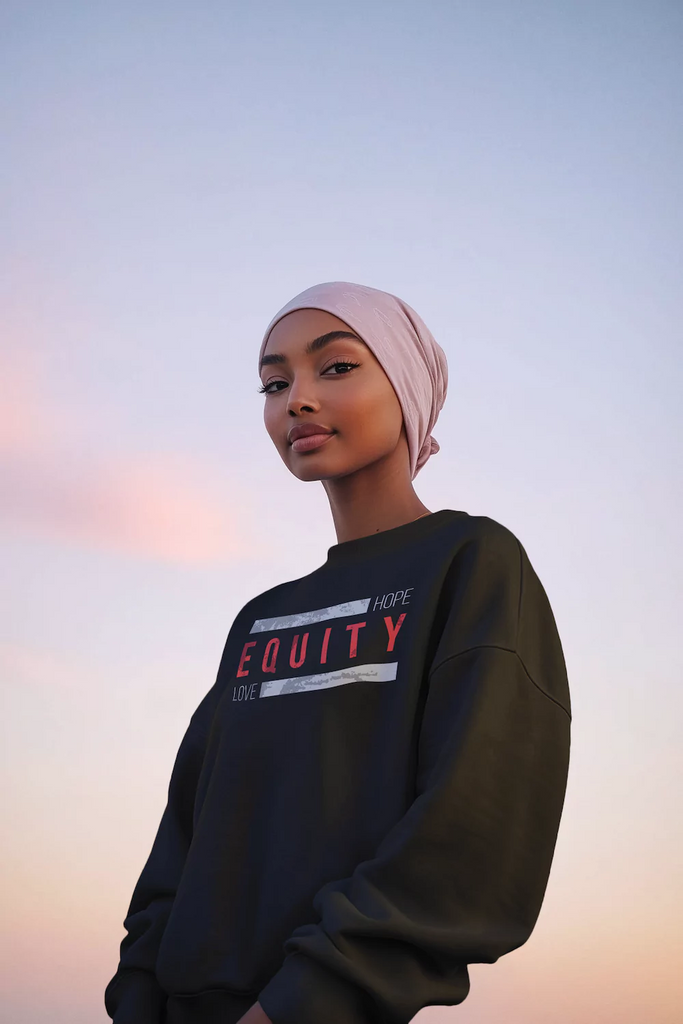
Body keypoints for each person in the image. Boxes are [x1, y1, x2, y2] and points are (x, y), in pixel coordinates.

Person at [104, 281, 572, 1024]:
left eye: (337, 367)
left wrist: (305, 1002)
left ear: (406, 385)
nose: (296, 400)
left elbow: (472, 835)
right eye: (274, 382)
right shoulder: (261, 619)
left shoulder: (469, 563)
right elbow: (184, 838)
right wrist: (137, 997)